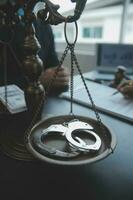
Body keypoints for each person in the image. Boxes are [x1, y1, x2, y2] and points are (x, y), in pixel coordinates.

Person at [0, 5, 69, 94]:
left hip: (43, 99)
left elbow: (52, 64)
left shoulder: (44, 26)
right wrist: (38, 80)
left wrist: (60, 76)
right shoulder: (4, 26)